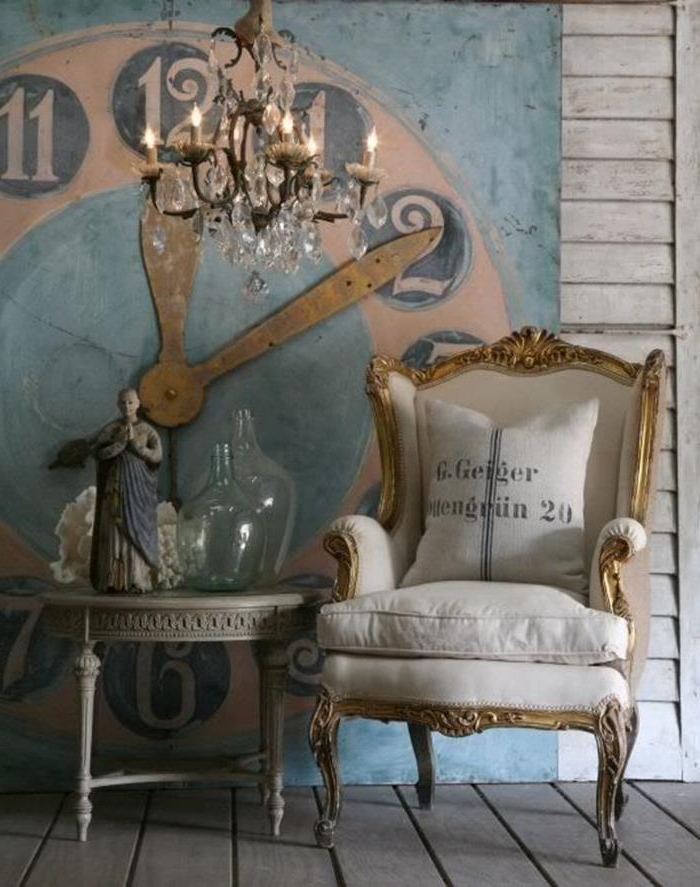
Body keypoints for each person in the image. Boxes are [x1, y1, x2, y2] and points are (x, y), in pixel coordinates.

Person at [90, 388, 162, 593]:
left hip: (139, 488)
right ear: (117, 405)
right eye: (123, 403)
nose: (126, 407)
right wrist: (120, 444)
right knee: (114, 526)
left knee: (136, 528)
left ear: (138, 404)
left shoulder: (148, 430)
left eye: (130, 402)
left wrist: (134, 445)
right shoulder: (111, 429)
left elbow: (157, 456)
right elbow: (99, 452)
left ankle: (136, 578)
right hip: (115, 485)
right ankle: (113, 579)